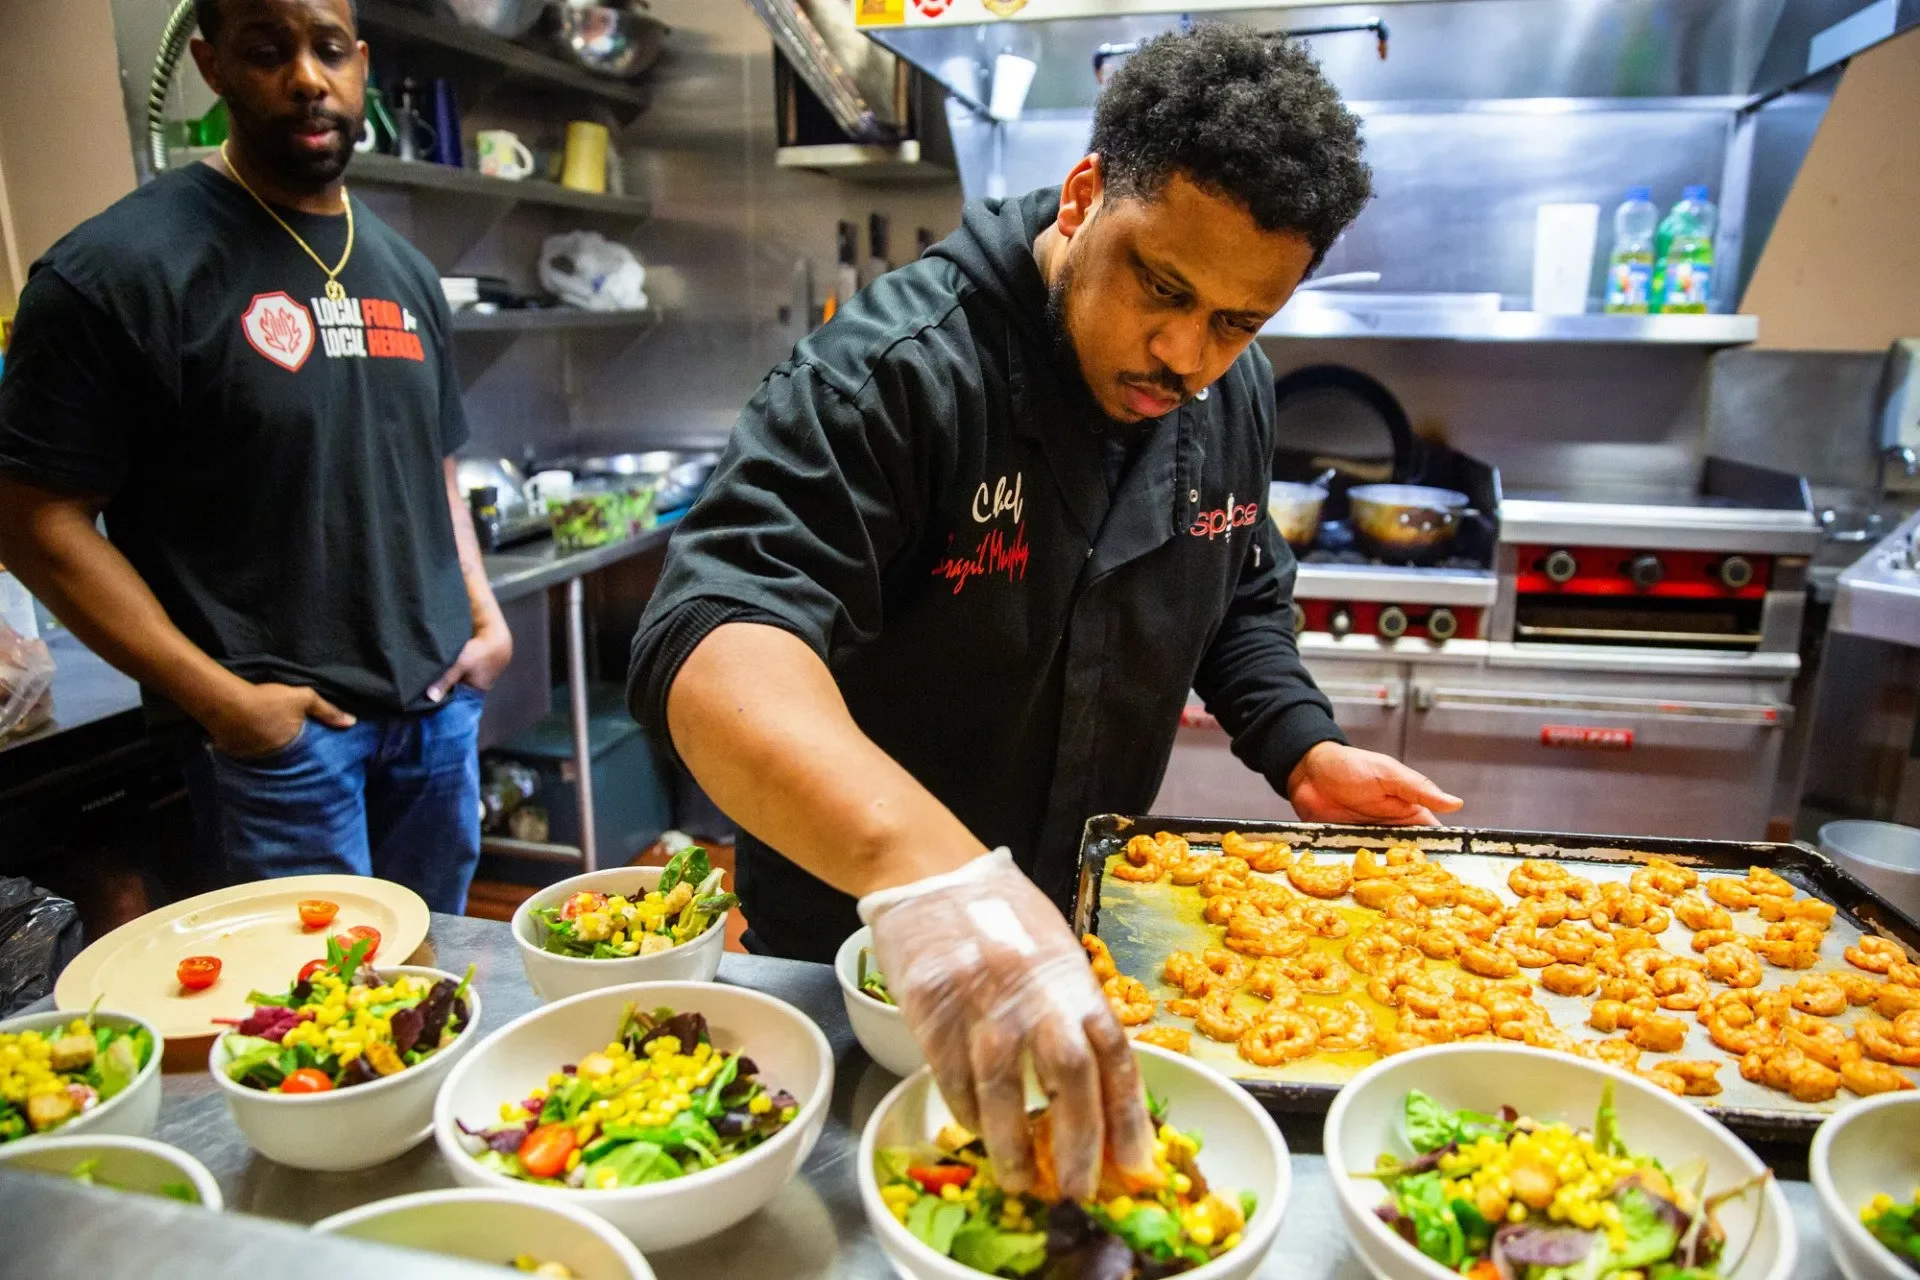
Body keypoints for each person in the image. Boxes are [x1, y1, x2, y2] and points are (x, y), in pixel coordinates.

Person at [629, 26, 1463, 1198]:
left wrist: (1300, 743)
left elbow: (1235, 581)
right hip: (862, 956)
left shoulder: (1229, 390)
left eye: (1239, 321)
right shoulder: (896, 373)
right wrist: (933, 876)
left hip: (1084, 946)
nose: (1186, 354)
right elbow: (714, 643)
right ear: (1083, 198)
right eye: (1163, 288)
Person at [0, 0, 510, 914]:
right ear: (212, 65)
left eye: (328, 50)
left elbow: (433, 460)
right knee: (315, 991)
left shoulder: (405, 272)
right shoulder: (118, 272)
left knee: (438, 967)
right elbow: (33, 518)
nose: (307, 78)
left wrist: (482, 615)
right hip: (282, 749)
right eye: (269, 50)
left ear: (360, 65)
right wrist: (221, 700)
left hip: (434, 716)